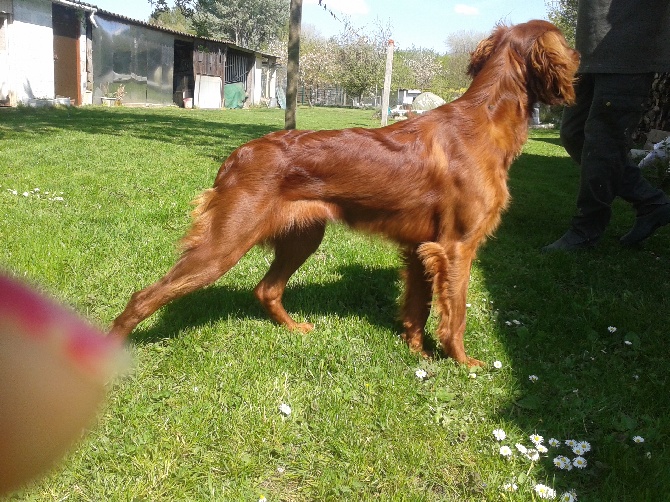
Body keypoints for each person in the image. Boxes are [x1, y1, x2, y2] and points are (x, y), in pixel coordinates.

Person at [543, 0, 670, 251]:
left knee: (604, 141)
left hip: (629, 47)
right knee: (574, 134)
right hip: (590, 51)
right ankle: (652, 203)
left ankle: (586, 229)